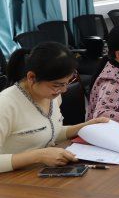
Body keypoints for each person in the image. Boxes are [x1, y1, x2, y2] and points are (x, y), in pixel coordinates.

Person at [0, 42, 108, 173]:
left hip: (40, 172)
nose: (64, 90)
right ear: (31, 77)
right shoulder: (6, 104)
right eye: (57, 85)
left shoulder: (52, 96)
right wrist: (38, 156)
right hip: (12, 179)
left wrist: (85, 126)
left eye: (68, 82)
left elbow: (50, 132)